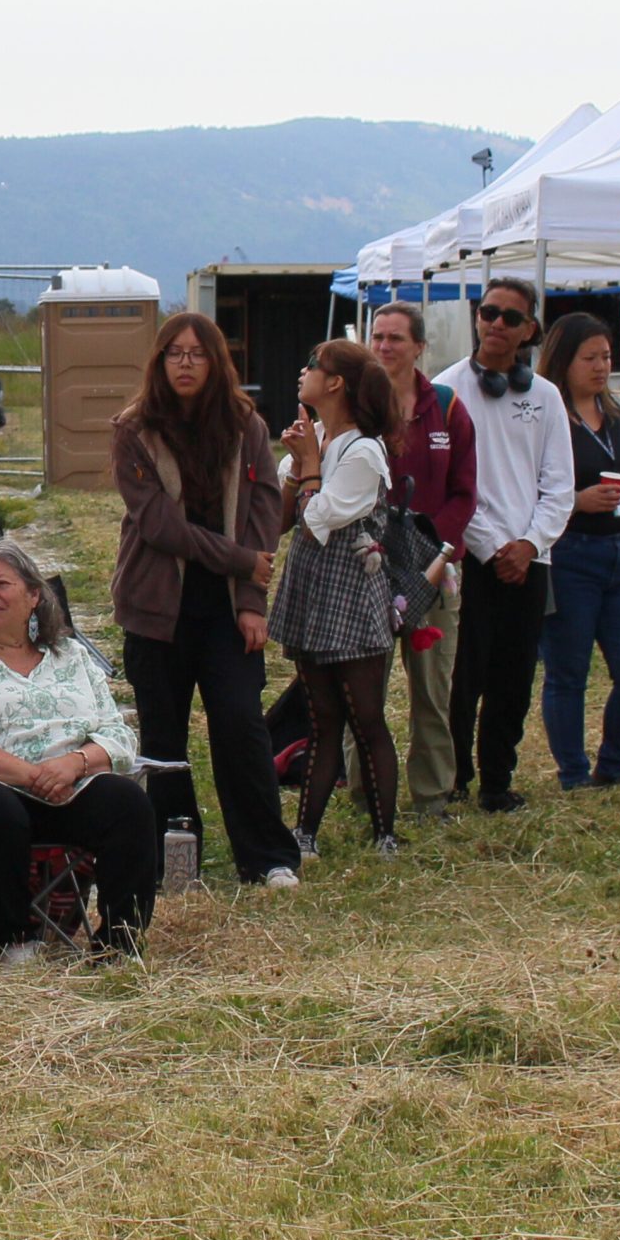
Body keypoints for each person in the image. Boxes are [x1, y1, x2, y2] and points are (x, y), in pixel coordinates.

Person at [109, 311, 301, 887]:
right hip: (156, 605)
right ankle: (177, 853)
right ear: (159, 362)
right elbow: (160, 527)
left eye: (198, 353)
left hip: (225, 609)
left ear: (217, 362)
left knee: (241, 725)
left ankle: (267, 856)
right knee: (163, 736)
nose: (186, 363)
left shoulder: (247, 427)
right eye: (175, 353)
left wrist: (250, 598)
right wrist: (242, 560)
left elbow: (265, 512)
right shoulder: (133, 429)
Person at [0, 539, 160, 959]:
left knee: (127, 801)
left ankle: (120, 943)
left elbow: (118, 736)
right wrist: (34, 776)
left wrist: (73, 765)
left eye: (1, 583)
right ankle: (15, 939)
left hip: (69, 787)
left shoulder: (71, 656)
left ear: (33, 596)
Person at [433, 276, 574, 812]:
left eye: (510, 317)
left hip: (530, 559)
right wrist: (494, 546)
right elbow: (451, 488)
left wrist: (530, 544)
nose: (496, 323)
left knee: (514, 675)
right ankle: (454, 775)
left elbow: (559, 485)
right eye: (489, 312)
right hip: (470, 557)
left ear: (529, 330)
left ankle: (498, 778)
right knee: (462, 673)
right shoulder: (447, 391)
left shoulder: (546, 397)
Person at [269, 340, 403, 857]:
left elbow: (319, 518)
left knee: (365, 716)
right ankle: (305, 834)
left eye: (313, 367)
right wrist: (298, 461)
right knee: (322, 718)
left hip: (349, 592)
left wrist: (307, 465)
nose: (302, 373)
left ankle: (384, 832)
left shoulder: (363, 449)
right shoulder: (316, 437)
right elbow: (283, 521)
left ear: (335, 383)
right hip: (311, 590)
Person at [360, 301, 479, 817]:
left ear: (419, 346)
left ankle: (431, 795)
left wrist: (435, 549)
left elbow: (465, 491)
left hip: (436, 571)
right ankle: (365, 791)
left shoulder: (447, 407)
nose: (385, 347)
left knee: (432, 689)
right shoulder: (359, 407)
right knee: (365, 689)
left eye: (395, 338)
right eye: (378, 337)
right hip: (370, 567)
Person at [535, 314, 620, 789]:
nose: (601, 366)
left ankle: (616, 765)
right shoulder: (548, 416)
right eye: (589, 358)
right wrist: (575, 503)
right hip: (570, 554)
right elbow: (529, 487)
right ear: (563, 362)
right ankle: (573, 773)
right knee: (569, 672)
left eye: (607, 356)